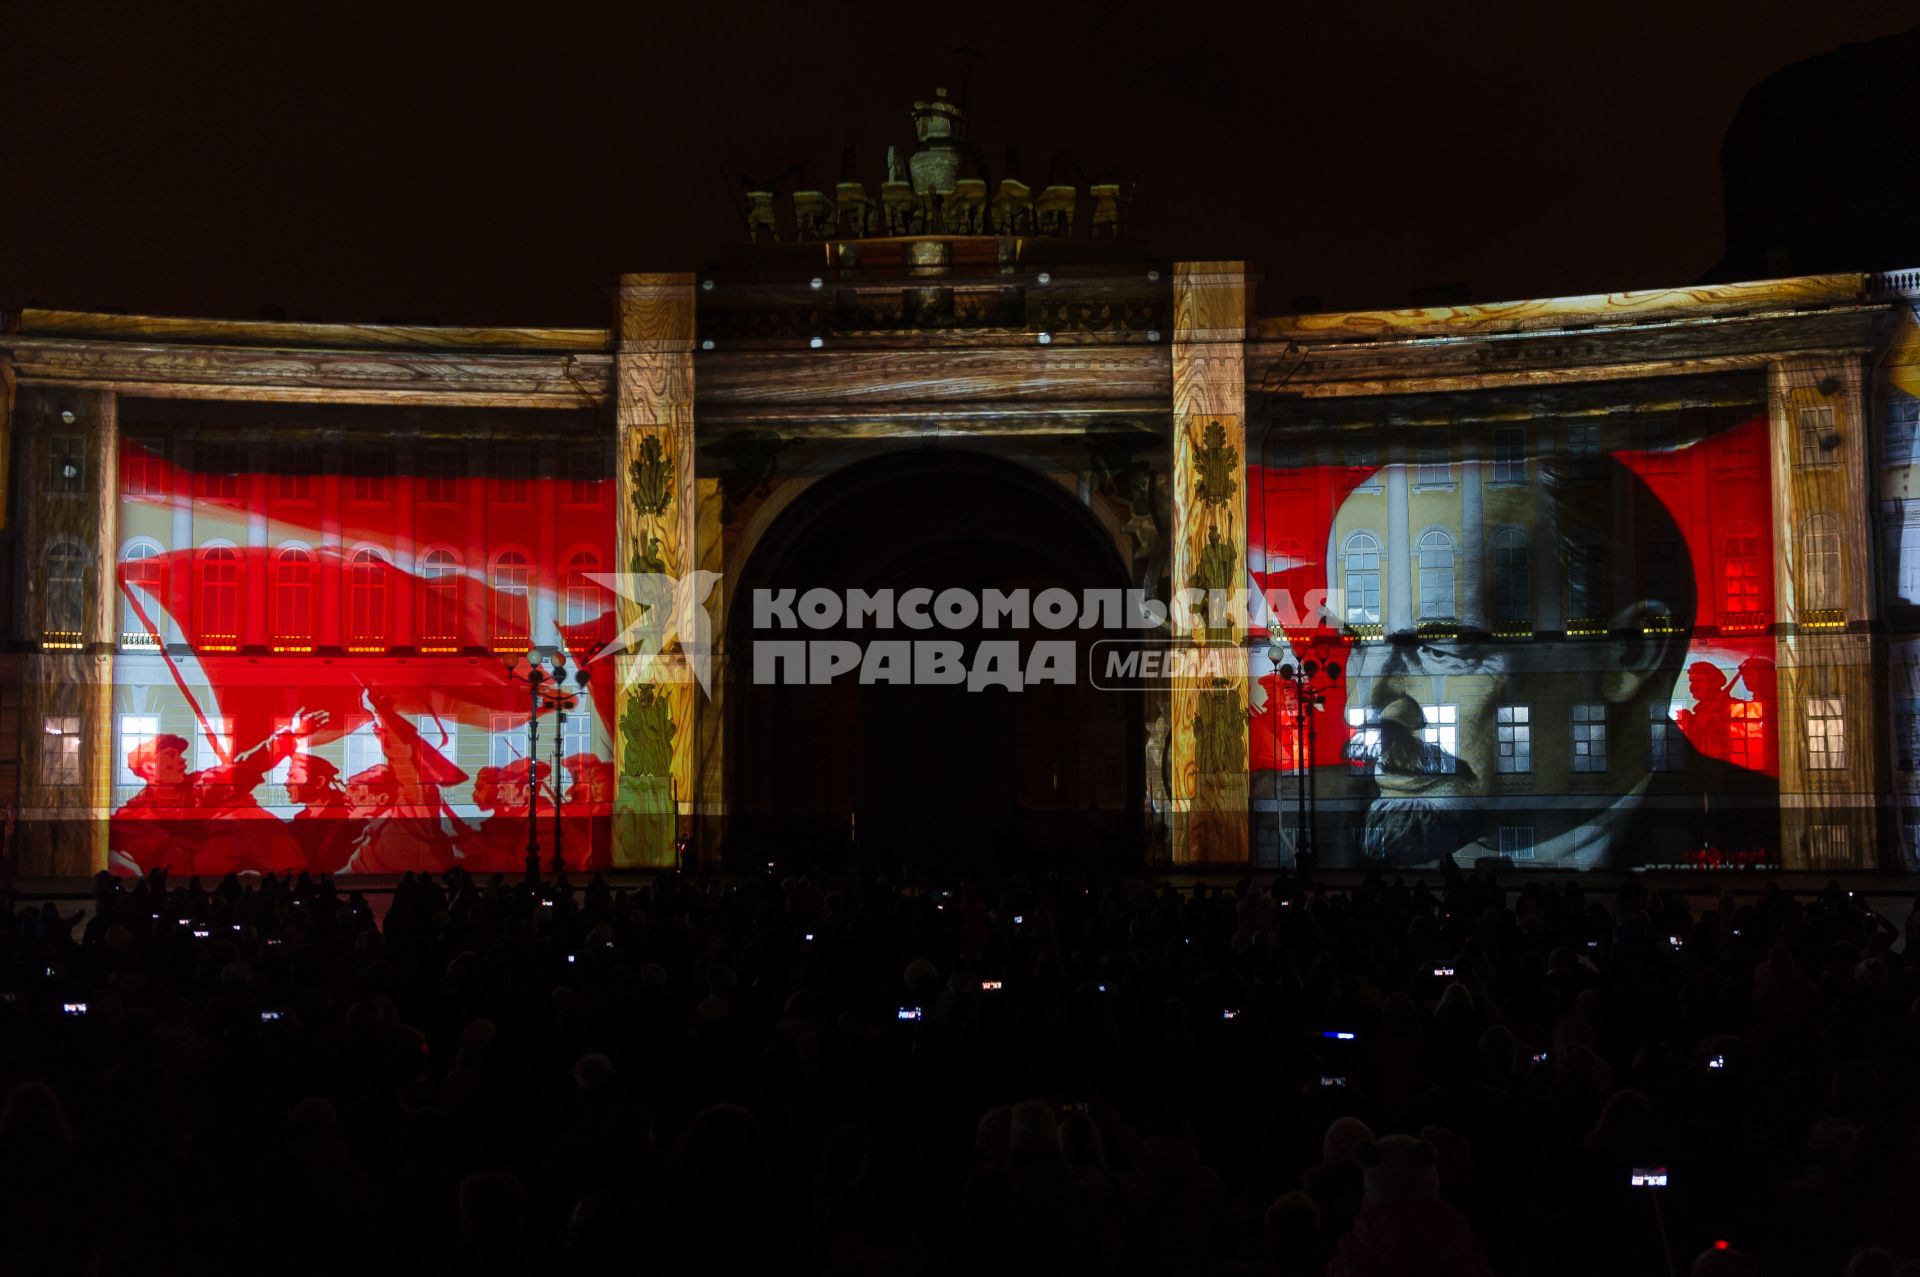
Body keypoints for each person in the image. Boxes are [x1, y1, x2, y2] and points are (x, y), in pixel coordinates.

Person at [1308, 447, 1778, 870]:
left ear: (1628, 654)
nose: (1362, 706)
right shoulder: (1321, 835)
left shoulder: (1762, 831)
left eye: (1439, 647)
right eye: (1358, 642)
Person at [111, 709, 327, 876]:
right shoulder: (134, 816)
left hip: (221, 869)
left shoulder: (202, 785)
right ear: (149, 768)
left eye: (180, 754)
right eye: (171, 755)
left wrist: (291, 735)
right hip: (185, 881)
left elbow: (249, 766)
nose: (182, 760)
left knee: (245, 816)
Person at [342, 691, 465, 874]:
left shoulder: (410, 816)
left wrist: (381, 715)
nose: (347, 795)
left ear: (382, 797)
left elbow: (403, 761)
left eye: (355, 789)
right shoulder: (375, 832)